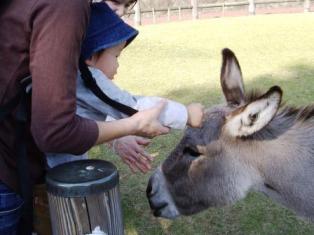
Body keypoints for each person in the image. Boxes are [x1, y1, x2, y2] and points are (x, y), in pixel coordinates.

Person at [0, 0, 173, 234]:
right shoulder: (65, 7)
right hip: (15, 171)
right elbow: (56, 131)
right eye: (115, 1)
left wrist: (114, 134)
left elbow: (67, 103)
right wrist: (136, 124)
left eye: (127, 6)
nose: (119, 12)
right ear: (90, 57)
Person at [46, 2, 204, 173]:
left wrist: (117, 137)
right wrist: (185, 114)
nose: (117, 65)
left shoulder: (68, 75)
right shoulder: (89, 77)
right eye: (116, 56)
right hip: (64, 168)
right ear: (91, 56)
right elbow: (133, 107)